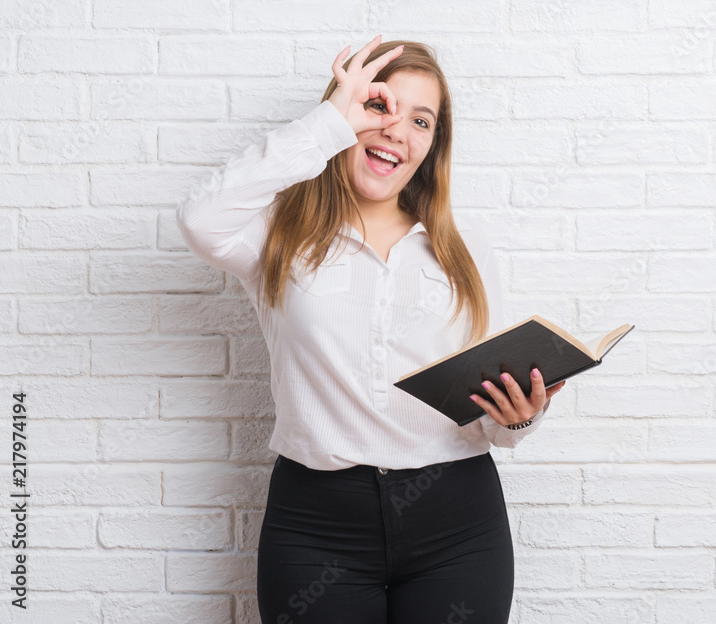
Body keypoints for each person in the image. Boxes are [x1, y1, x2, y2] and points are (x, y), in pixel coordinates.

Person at [175, 35, 566, 624]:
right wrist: (331, 119)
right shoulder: (276, 237)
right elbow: (200, 219)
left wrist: (520, 417)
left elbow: (490, 415)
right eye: (380, 107)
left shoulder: (465, 252)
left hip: (458, 522)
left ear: (432, 146)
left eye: (421, 121)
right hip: (316, 524)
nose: (396, 132)